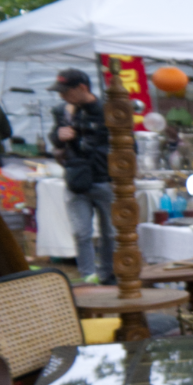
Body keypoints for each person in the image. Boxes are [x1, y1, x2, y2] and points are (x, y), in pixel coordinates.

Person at [48, 68, 115, 285]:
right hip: (76, 180)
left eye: (66, 91)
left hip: (104, 179)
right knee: (81, 233)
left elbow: (125, 145)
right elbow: (55, 137)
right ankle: (88, 278)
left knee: (110, 234)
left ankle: (107, 275)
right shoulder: (63, 111)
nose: (62, 96)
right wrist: (59, 136)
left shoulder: (108, 112)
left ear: (82, 88)